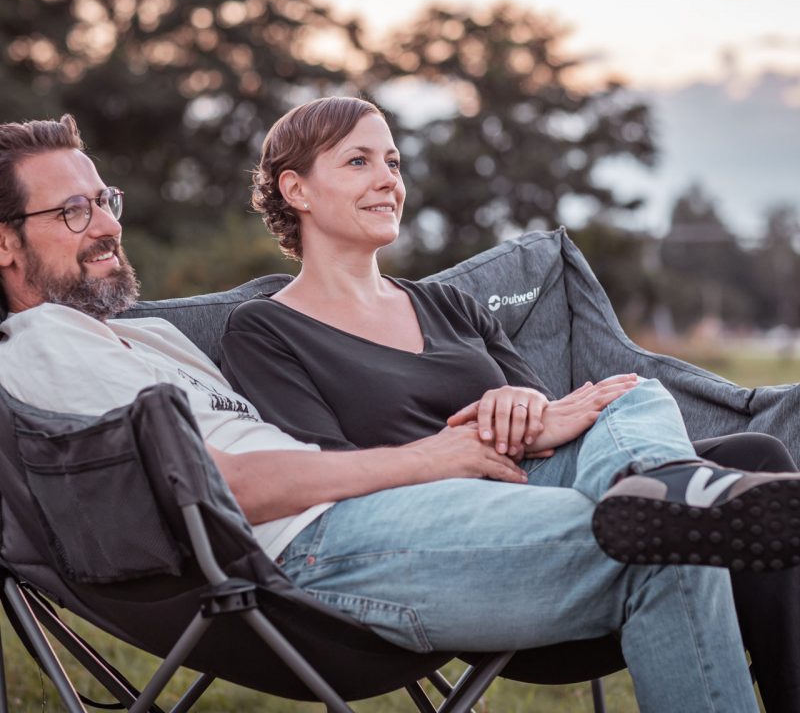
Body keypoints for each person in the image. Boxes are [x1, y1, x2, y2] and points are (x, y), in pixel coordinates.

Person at [0, 116, 786, 713]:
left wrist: (525, 419)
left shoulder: (148, 337)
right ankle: (676, 502)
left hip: (374, 516)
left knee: (633, 401)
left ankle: (665, 486)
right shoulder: (40, 343)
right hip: (307, 556)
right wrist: (433, 455)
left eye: (106, 201)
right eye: (73, 211)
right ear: (6, 245)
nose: (108, 224)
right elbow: (217, 489)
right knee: (671, 546)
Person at [220, 96, 800, 711]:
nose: (388, 179)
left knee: (650, 403)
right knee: (692, 515)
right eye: (358, 162)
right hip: (453, 536)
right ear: (297, 190)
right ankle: (665, 498)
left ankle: (658, 489)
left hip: (545, 482)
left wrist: (522, 401)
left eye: (392, 162)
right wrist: (459, 449)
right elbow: (328, 479)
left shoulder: (448, 306)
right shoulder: (265, 328)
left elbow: (554, 419)